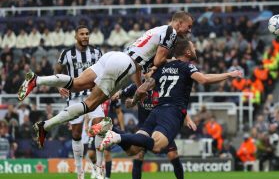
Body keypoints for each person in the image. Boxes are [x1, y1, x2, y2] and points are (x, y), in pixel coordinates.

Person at [17, 11, 193, 150]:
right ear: (178, 23)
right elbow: (157, 61)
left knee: (77, 83)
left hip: (115, 56)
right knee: (90, 105)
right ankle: (45, 126)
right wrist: (175, 61)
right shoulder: (171, 32)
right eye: (188, 26)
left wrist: (140, 87)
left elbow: (140, 65)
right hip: (124, 65)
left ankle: (37, 80)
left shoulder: (156, 29)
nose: (189, 30)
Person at [99, 38, 242, 179]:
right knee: (157, 147)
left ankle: (114, 132)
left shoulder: (163, 68)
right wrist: (229, 74)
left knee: (134, 149)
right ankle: (117, 137)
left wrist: (133, 100)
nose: (195, 49)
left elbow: (144, 87)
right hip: (171, 113)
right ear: (187, 52)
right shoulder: (187, 66)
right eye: (193, 47)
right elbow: (204, 79)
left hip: (156, 112)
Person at [92, 82, 194, 179]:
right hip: (145, 127)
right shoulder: (138, 86)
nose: (147, 72)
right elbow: (121, 93)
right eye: (146, 70)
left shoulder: (163, 85)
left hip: (162, 128)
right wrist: (115, 95)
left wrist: (187, 118)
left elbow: (177, 105)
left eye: (150, 70)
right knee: (135, 154)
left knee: (173, 155)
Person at [55, 25, 105, 179]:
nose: (85, 36)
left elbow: (105, 71)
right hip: (75, 97)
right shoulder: (66, 53)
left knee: (99, 126)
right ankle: (80, 172)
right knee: (76, 134)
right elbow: (58, 69)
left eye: (87, 34)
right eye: (82, 34)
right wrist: (58, 86)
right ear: (76, 36)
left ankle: (99, 165)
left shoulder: (97, 52)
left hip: (94, 95)